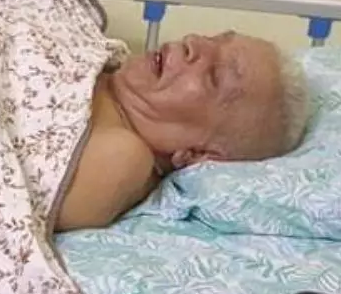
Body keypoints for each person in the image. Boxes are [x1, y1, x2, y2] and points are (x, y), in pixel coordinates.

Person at [56, 31, 310, 231]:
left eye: (215, 75)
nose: (193, 41)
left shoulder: (121, 157)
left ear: (197, 154)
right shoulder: (94, 47)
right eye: (214, 38)